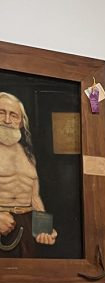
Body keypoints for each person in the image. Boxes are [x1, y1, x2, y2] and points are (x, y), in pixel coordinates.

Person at [0, 92, 59, 257]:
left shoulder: (28, 154)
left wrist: (44, 229)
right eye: (1, 113)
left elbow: (34, 197)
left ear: (21, 122)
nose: (7, 120)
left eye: (13, 115)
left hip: (26, 225)